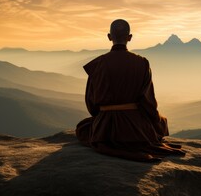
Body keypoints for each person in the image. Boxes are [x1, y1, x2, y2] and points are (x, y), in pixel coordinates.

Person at [76, 19, 185, 162]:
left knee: (83, 127)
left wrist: (104, 116)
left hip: (106, 129)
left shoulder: (98, 64)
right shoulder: (142, 63)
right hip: (135, 129)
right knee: (162, 122)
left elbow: (91, 103)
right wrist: (155, 120)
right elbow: (148, 103)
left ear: (109, 37)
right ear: (130, 37)